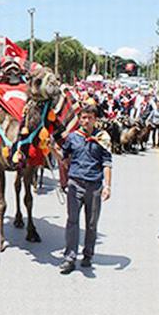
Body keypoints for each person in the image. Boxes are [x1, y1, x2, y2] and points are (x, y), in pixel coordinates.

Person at [58, 105, 112, 274]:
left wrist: (107, 186)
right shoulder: (73, 137)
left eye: (89, 117)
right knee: (72, 221)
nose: (86, 121)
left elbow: (107, 164)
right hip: (75, 184)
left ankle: (88, 255)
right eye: (83, 118)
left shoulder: (102, 138)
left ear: (95, 119)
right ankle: (70, 258)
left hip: (94, 186)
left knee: (91, 224)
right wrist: (51, 148)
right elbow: (63, 156)